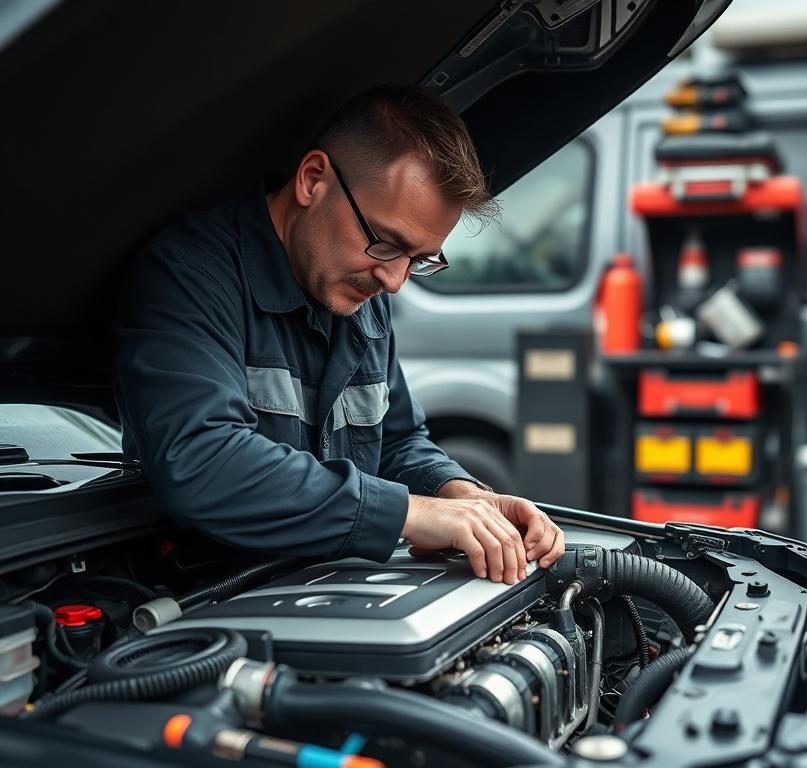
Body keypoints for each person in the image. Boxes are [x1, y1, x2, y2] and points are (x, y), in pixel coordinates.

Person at [114, 85, 565, 584]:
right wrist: (409, 515)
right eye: (385, 243)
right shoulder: (190, 274)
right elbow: (202, 459)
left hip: (326, 589)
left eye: (418, 260)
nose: (393, 281)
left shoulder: (359, 292)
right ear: (312, 180)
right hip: (207, 603)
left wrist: (458, 493)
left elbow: (395, 442)